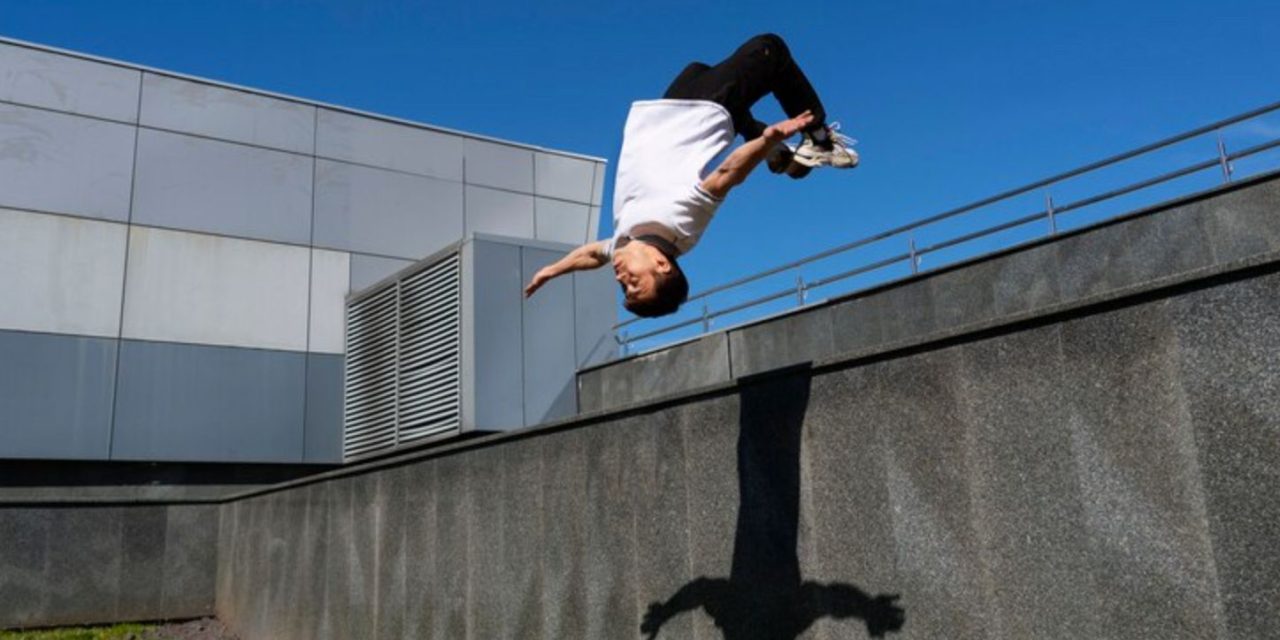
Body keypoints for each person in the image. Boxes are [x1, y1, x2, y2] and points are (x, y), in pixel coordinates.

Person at [523, 34, 857, 317]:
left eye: (624, 287)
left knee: (697, 68)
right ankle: (820, 140)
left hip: (666, 112)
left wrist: (552, 271)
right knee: (770, 50)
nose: (621, 279)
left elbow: (591, 254)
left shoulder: (627, 241)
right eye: (634, 283)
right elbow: (726, 175)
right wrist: (766, 139)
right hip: (705, 110)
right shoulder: (681, 227)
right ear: (662, 265)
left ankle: (777, 155)